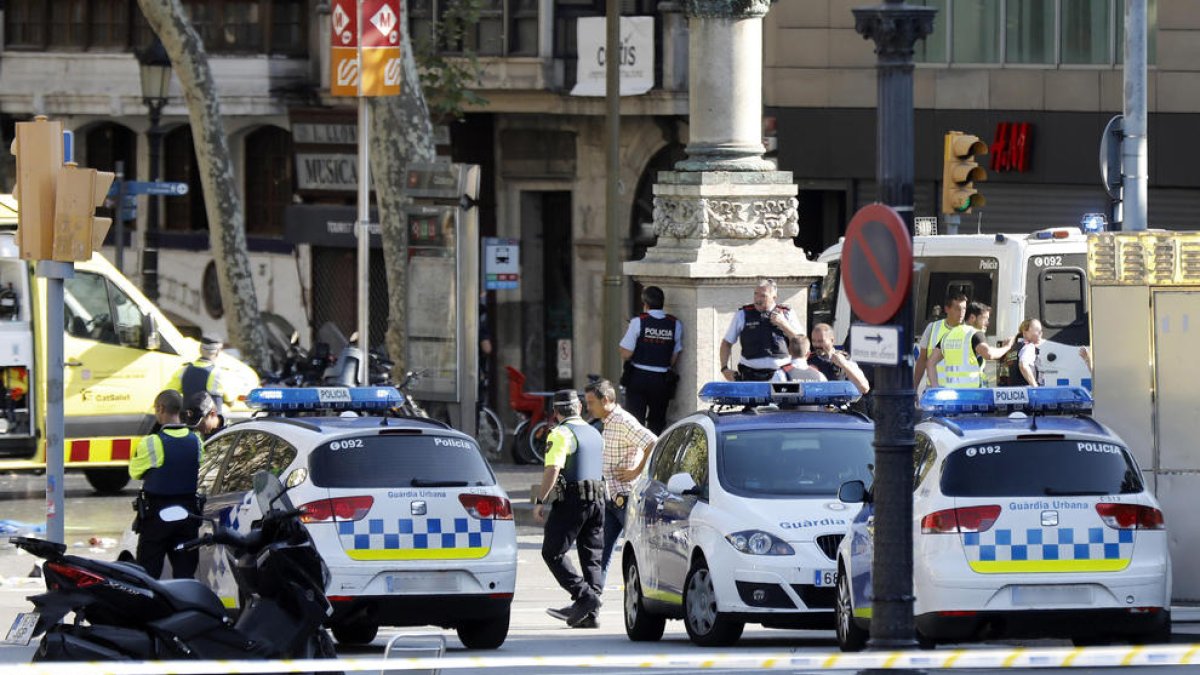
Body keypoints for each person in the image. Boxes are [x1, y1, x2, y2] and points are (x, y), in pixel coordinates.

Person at [534, 389, 606, 628]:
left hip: (574, 500)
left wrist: (541, 499)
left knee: (552, 552)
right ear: (579, 408)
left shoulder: (561, 433)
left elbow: (552, 469)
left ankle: (586, 598)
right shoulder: (595, 432)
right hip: (598, 499)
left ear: (556, 413)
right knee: (592, 556)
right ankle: (590, 612)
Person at [583, 379, 656, 589]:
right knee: (599, 554)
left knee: (639, 554)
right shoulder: (607, 422)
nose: (588, 407)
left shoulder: (623, 421)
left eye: (591, 402)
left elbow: (653, 441)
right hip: (611, 499)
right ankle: (591, 604)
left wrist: (636, 470)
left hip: (626, 500)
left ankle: (645, 600)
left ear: (605, 400)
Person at [128, 390, 203, 579]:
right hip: (188, 515)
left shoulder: (152, 442)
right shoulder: (197, 441)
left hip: (156, 517)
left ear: (160, 409)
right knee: (185, 573)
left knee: (148, 573)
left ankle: (151, 608)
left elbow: (134, 472)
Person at [618, 286, 682, 434]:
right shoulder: (674, 323)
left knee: (634, 422)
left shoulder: (638, 321)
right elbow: (674, 356)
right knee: (657, 423)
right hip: (662, 380)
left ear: (645, 304)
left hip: (638, 378)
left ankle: (638, 454)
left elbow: (626, 353)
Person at [719, 279, 803, 382]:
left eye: (763, 296)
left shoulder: (786, 314)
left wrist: (783, 324)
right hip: (749, 375)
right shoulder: (743, 314)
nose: (757, 299)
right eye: (756, 294)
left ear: (774, 297)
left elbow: (801, 343)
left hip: (780, 375)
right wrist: (724, 369)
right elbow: (727, 343)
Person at [926, 302, 1014, 388]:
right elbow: (989, 354)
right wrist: (1007, 347)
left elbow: (930, 362)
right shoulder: (975, 334)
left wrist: (935, 387)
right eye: (985, 318)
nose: (987, 323)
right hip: (972, 394)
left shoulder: (948, 335)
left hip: (952, 393)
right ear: (972, 318)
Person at [914, 294, 967, 390]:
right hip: (934, 390)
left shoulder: (969, 332)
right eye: (957, 309)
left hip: (960, 391)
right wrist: (914, 389)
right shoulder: (933, 328)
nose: (961, 313)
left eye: (964, 309)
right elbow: (922, 360)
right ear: (947, 309)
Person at [167, 335, 231, 413]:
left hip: (187, 419)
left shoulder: (184, 369)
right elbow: (230, 400)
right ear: (218, 352)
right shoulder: (217, 372)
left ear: (200, 349)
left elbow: (169, 393)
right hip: (211, 421)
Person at [808, 323, 870, 394]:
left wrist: (844, 365)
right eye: (813, 341)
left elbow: (864, 388)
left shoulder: (845, 359)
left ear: (832, 340)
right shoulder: (808, 360)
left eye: (821, 341)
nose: (817, 345)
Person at [1014, 318, 1045, 386]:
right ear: (1025, 332)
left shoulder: (1013, 348)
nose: (1040, 333)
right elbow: (1023, 366)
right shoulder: (1029, 347)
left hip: (1011, 392)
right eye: (1037, 330)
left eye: (1040, 330)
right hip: (1027, 392)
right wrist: (1035, 386)